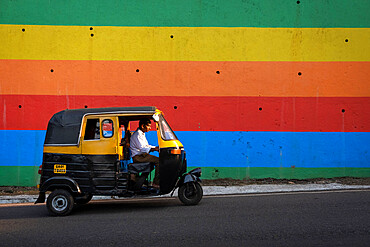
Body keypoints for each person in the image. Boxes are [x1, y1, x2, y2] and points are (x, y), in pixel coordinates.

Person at [130, 119, 160, 188]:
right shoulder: (138, 135)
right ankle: (156, 183)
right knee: (159, 161)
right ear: (143, 126)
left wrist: (155, 147)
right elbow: (143, 148)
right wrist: (154, 149)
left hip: (143, 155)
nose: (150, 128)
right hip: (139, 157)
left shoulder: (141, 134)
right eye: (148, 126)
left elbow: (146, 146)